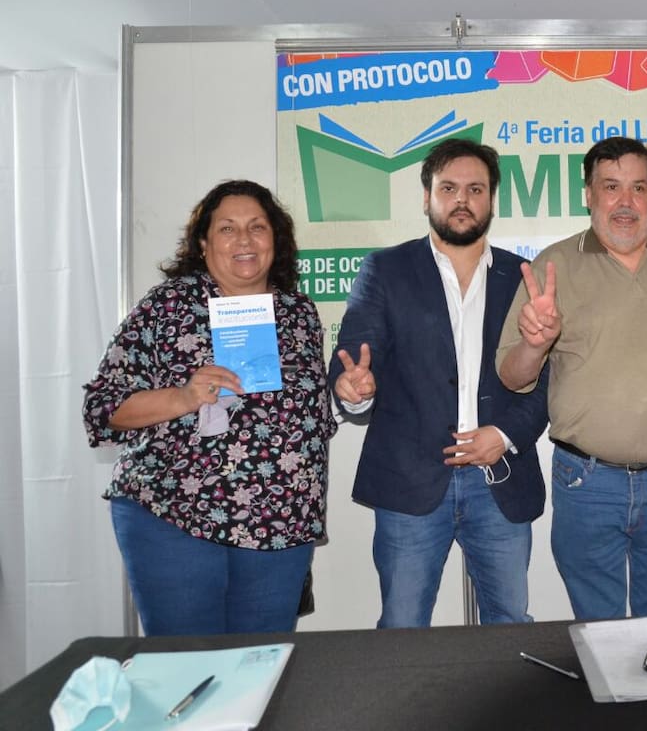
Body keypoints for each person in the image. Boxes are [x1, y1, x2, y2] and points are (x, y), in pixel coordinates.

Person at [82, 180, 337, 635]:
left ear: (275, 240)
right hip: (175, 516)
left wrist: (349, 390)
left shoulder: (300, 314)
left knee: (260, 670)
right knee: (187, 670)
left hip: (281, 527)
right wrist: (183, 397)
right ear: (203, 244)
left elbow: (307, 417)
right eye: (227, 229)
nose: (244, 240)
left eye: (258, 227)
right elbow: (103, 407)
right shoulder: (166, 307)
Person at [328, 137, 548, 628]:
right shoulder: (385, 270)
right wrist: (353, 387)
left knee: (509, 621)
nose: (462, 199)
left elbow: (550, 378)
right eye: (448, 188)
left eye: (475, 188)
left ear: (492, 199)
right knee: (403, 625)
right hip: (410, 481)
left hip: (500, 479)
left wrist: (506, 435)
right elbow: (355, 356)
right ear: (426, 196)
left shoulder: (524, 276)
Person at [497, 136, 647, 621]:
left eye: (639, 188)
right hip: (588, 483)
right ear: (588, 194)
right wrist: (534, 343)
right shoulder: (553, 266)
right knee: (599, 629)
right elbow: (511, 376)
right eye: (611, 187)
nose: (626, 202)